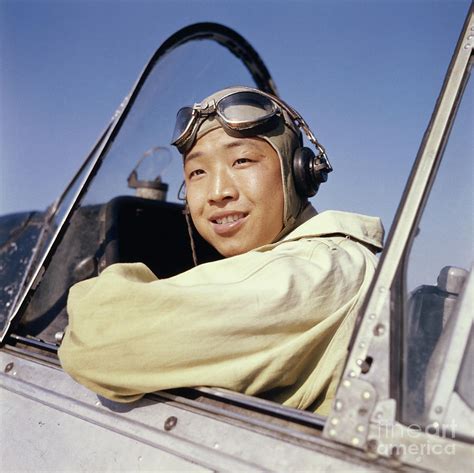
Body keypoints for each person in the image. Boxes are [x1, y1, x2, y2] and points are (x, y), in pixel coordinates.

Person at [58, 86, 384, 415]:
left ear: (300, 172)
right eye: (198, 172)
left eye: (241, 160)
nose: (217, 192)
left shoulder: (321, 270)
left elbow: (97, 341)